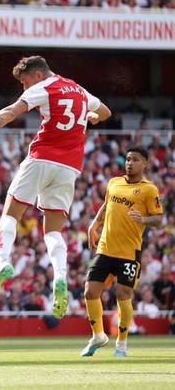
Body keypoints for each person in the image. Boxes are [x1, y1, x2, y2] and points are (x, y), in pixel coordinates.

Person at [0, 55, 111, 319]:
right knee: (53, 231)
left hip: (41, 158)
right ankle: (59, 276)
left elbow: (12, 111)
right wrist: (92, 116)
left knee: (10, 215)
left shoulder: (44, 87)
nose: (25, 87)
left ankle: (3, 262)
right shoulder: (79, 90)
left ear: (37, 75)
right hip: (69, 167)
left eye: (25, 82)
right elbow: (105, 112)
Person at [81, 147, 163, 357]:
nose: (129, 163)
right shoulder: (114, 182)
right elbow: (106, 205)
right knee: (90, 292)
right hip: (105, 248)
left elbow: (158, 219)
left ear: (145, 163)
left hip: (129, 253)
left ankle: (121, 344)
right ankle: (98, 336)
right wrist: (94, 225)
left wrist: (143, 219)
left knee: (123, 295)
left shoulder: (149, 190)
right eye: (127, 159)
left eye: (135, 159)